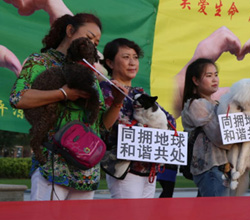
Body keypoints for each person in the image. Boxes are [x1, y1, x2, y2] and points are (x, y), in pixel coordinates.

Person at [10, 13, 122, 200]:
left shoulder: (91, 74)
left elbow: (101, 126)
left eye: (96, 42)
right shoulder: (40, 61)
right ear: (70, 31)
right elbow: (18, 97)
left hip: (86, 168)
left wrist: (117, 102)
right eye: (88, 37)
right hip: (52, 164)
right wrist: (63, 93)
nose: (92, 45)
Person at [100, 38, 175, 199]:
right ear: (110, 63)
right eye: (126, 57)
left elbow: (169, 120)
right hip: (125, 169)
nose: (132, 62)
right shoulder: (106, 90)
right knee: (128, 219)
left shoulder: (139, 92)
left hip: (149, 170)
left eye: (135, 57)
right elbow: (112, 127)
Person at [180, 58, 232, 197]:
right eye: (208, 76)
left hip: (220, 169)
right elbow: (220, 138)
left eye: (216, 74)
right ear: (196, 81)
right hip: (211, 169)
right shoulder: (198, 104)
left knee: (213, 214)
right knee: (217, 215)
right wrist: (240, 139)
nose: (215, 79)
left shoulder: (216, 103)